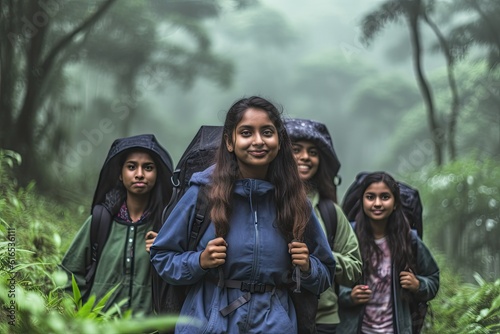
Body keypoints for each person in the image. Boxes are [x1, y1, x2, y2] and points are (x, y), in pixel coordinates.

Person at [150, 96, 336, 333]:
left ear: (279, 141)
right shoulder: (203, 194)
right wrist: (199, 261)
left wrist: (308, 267)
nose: (258, 141)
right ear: (230, 141)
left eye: (267, 132)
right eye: (246, 132)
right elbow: (162, 256)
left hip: (274, 324)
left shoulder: (295, 201)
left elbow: (326, 271)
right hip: (209, 322)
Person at [60, 134, 173, 315]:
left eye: (148, 167)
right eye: (131, 167)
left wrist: (167, 251)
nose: (139, 174)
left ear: (157, 174)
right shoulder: (100, 221)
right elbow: (69, 274)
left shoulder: (167, 227)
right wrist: (73, 315)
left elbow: (182, 280)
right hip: (98, 326)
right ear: (120, 174)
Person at [285, 118, 363, 334]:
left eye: (313, 152)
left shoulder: (331, 212)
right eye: (296, 149)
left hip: (322, 320)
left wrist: (320, 257)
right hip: (275, 316)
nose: (305, 157)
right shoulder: (264, 203)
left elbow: (355, 267)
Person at [337, 172, 440, 334]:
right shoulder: (349, 235)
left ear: (396, 203)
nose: (377, 203)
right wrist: (349, 296)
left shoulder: (409, 239)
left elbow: (433, 278)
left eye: (385, 197)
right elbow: (327, 280)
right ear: (362, 201)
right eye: (370, 197)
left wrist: (418, 285)